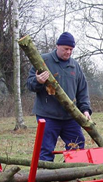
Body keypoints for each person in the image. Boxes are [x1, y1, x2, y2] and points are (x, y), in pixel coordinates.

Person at [27, 32, 92, 161]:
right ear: (57, 46)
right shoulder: (43, 61)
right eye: (65, 49)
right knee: (46, 150)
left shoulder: (74, 65)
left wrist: (85, 110)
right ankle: (45, 178)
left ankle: (72, 175)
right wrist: (38, 81)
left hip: (70, 117)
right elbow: (29, 85)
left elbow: (82, 91)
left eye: (71, 50)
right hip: (48, 116)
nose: (68, 52)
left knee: (77, 146)